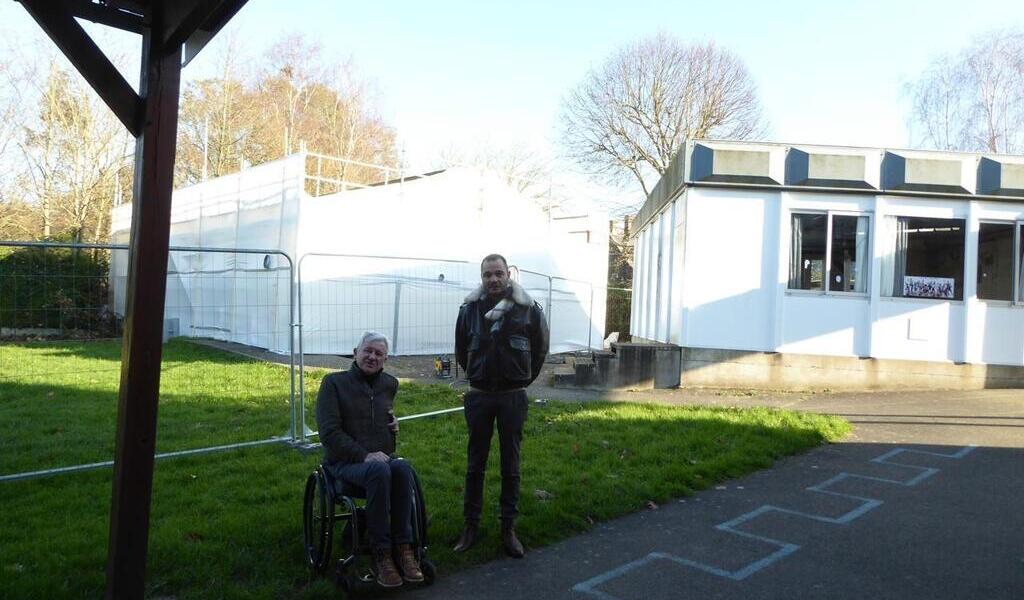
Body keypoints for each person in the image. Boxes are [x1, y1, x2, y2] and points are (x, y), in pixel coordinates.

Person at [452, 253, 549, 558]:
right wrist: (477, 375)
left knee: (511, 465)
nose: (493, 279)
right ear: (481, 278)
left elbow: (540, 349)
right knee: (474, 465)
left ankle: (508, 529)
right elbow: (460, 351)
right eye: (487, 275)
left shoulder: (528, 309)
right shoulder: (469, 310)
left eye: (498, 273)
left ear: (509, 274)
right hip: (479, 395)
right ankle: (471, 526)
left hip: (512, 396)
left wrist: (520, 381)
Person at [316, 331, 422, 588]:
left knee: (403, 468)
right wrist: (364, 456)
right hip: (343, 464)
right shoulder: (333, 384)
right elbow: (329, 434)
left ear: (385, 360)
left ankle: (403, 548)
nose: (372, 357)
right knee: (379, 470)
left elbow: (383, 435)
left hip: (378, 464)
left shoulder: (389, 384)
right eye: (368, 351)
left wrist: (391, 429)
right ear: (355, 352)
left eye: (378, 353)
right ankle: (381, 553)